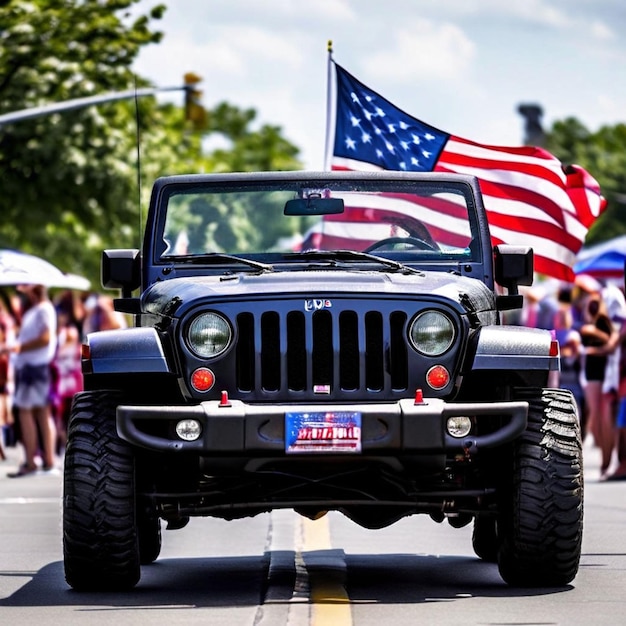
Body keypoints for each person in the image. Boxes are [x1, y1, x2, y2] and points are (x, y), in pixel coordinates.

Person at [0, 284, 58, 477]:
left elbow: (45, 338)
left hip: (33, 367)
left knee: (27, 413)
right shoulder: (40, 309)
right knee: (41, 413)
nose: (21, 289)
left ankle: (33, 462)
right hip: (33, 367)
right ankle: (46, 461)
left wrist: (19, 347)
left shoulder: (43, 310)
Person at [580, 292, 618, 478]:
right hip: (592, 374)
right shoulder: (591, 322)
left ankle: (606, 461)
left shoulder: (602, 322)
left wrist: (592, 349)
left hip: (601, 374)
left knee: (599, 418)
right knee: (596, 419)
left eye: (595, 302)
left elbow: (611, 343)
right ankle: (606, 460)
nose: (591, 305)